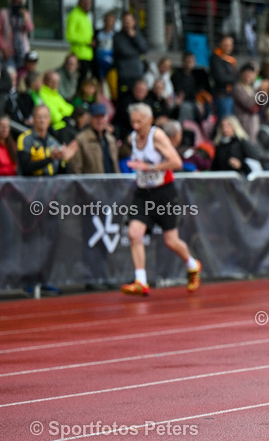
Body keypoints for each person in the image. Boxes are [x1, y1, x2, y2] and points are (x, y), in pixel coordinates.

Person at [121, 103, 202, 296]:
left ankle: (192, 264)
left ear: (150, 120)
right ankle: (141, 280)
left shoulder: (156, 136)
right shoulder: (132, 138)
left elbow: (177, 162)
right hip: (143, 193)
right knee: (134, 233)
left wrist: (150, 167)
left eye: (139, 122)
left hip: (164, 192)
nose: (136, 126)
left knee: (171, 240)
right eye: (133, 122)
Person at [17, 104, 79, 176]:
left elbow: (61, 172)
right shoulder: (25, 139)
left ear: (49, 119)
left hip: (51, 184)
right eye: (39, 117)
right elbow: (25, 167)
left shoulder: (53, 142)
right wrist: (50, 158)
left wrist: (65, 160)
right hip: (31, 184)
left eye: (45, 117)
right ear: (33, 119)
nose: (42, 120)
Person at [67, 103, 119, 175]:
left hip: (111, 184)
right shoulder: (81, 139)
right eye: (96, 117)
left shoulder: (111, 139)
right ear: (90, 118)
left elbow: (115, 167)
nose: (100, 121)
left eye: (102, 117)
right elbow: (76, 169)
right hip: (91, 185)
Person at [0, 0, 34, 71]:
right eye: (14, 1)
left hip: (22, 51)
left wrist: (25, 18)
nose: (16, 4)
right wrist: (3, 49)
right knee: (10, 72)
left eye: (19, 2)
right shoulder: (3, 13)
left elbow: (30, 28)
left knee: (21, 74)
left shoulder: (25, 13)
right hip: (8, 51)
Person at [65, 0, 94, 80]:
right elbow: (69, 35)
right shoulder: (74, 15)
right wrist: (87, 41)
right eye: (85, 2)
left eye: (89, 3)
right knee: (79, 82)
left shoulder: (85, 16)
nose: (87, 5)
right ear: (79, 2)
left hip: (88, 55)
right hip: (78, 55)